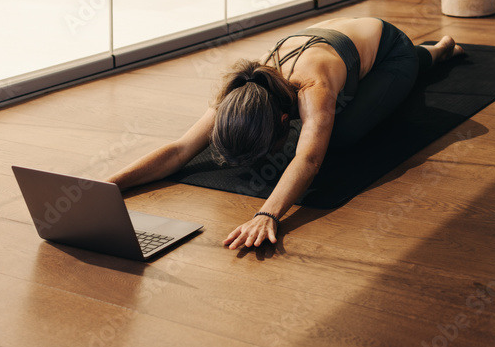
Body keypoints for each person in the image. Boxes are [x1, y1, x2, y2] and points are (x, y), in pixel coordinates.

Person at [106, 17, 464, 250]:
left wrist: (267, 214)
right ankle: (433, 51)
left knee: (342, 134)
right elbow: (181, 149)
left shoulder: (314, 86)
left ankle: (430, 54)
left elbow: (308, 159)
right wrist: (111, 184)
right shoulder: (244, 92)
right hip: (344, 42)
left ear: (282, 117)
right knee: (328, 125)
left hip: (389, 48)